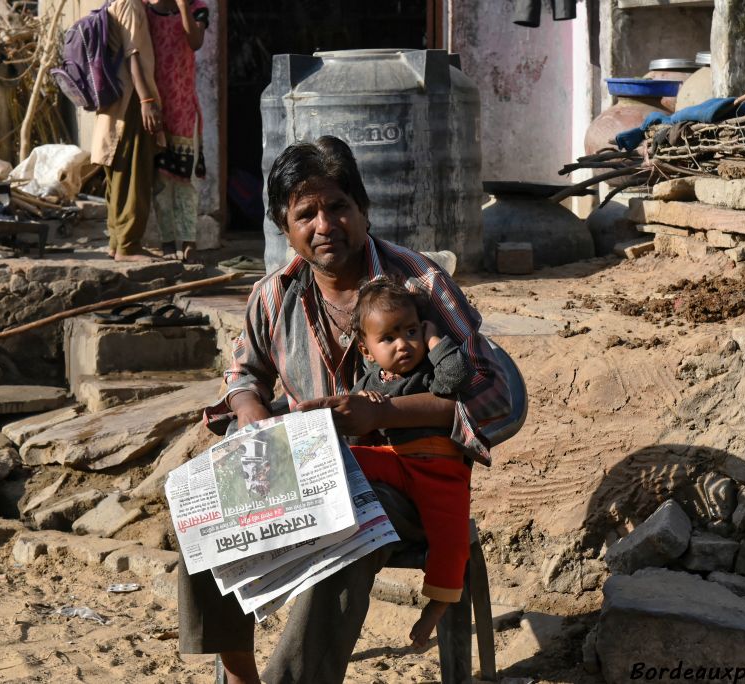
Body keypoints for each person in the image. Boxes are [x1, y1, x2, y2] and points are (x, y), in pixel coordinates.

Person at [179, 135, 512, 684]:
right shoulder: (272, 295)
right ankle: (239, 672)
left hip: (403, 478)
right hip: (301, 471)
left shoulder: (419, 284)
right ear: (285, 228)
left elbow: (493, 396)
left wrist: (381, 416)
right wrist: (254, 421)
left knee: (350, 524)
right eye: (305, 213)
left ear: (364, 210)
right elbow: (241, 375)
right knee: (200, 502)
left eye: (338, 207)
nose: (325, 224)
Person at [348, 277, 476, 650]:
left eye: (410, 331)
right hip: (397, 462)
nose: (403, 344)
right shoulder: (371, 379)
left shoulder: (430, 368)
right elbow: (357, 430)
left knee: (450, 539)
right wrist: (360, 406)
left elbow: (458, 378)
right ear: (367, 350)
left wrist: (435, 339)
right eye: (388, 338)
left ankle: (436, 606)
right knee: (347, 460)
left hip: (439, 468)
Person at [92, 0, 165, 262]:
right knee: (134, 173)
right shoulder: (131, 5)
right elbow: (133, 55)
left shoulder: (116, 2)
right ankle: (129, 246)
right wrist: (147, 101)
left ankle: (117, 242)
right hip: (131, 100)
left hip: (116, 101)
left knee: (119, 172)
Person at [143, 0, 208, 263]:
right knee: (160, 182)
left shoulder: (197, 8)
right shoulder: (146, 10)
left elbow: (195, 41)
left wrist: (183, 7)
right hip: (156, 108)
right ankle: (167, 241)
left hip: (184, 109)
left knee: (185, 182)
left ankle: (189, 240)